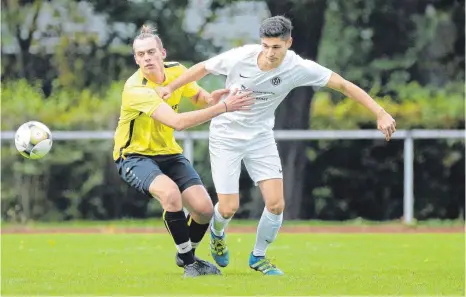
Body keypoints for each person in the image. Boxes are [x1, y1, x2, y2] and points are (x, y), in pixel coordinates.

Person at [156, 16, 397, 276]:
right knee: (228, 208)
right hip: (226, 135)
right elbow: (203, 68)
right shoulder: (242, 56)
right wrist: (170, 87)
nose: (269, 53)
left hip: (260, 137)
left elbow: (343, 85)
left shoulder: (299, 67)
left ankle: (258, 256)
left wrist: (380, 112)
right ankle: (217, 232)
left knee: (276, 204)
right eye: (266, 46)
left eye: (276, 47)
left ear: (288, 43)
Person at [113, 24, 254, 278]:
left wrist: (212, 98)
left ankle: (184, 253)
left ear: (162, 53)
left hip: (168, 152)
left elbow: (198, 95)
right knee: (170, 195)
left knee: (204, 209)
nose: (146, 58)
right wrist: (224, 108)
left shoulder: (177, 72)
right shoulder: (136, 89)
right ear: (135, 59)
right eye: (141, 54)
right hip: (134, 156)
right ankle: (191, 264)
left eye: (151, 52)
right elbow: (178, 122)